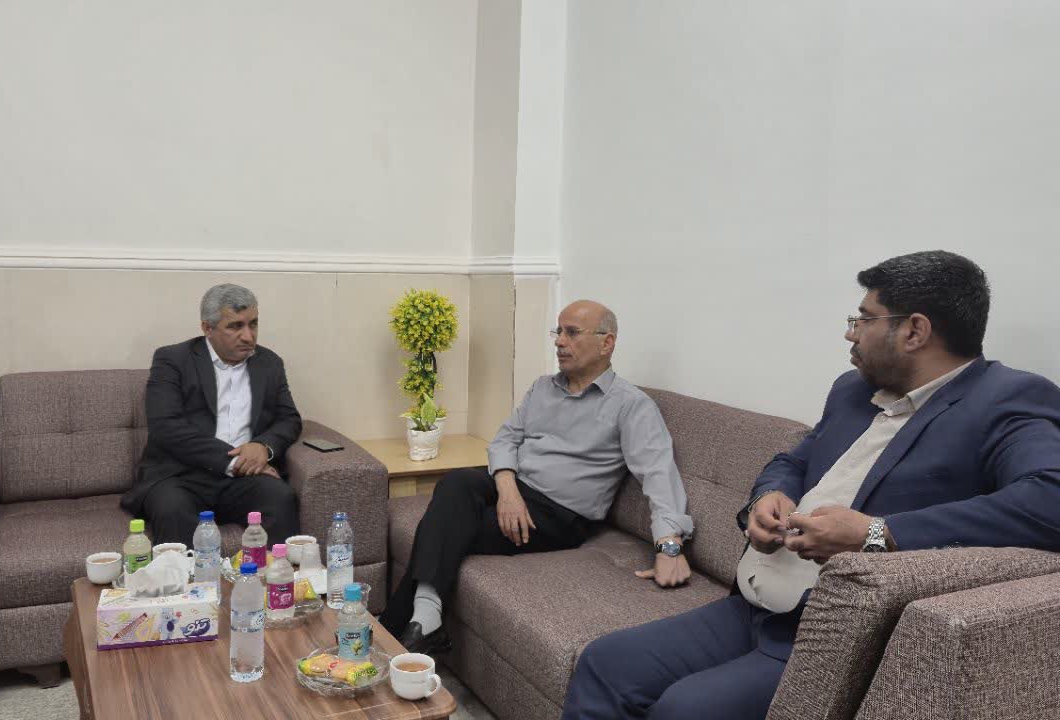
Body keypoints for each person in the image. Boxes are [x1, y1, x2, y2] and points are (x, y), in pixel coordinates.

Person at [562, 250, 1060, 720]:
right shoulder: (852, 391)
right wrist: (768, 496)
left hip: (823, 633)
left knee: (686, 708)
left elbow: (1049, 498)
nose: (850, 334)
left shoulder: (1005, 400)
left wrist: (876, 533)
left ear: (914, 331)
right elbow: (792, 460)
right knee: (605, 663)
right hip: (749, 606)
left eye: (863, 320)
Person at [381, 300, 695, 654]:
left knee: (444, 529)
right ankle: (422, 626)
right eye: (558, 332)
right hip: (516, 487)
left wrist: (669, 547)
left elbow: (658, 474)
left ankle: (395, 632)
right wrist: (507, 489)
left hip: (558, 515)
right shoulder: (543, 388)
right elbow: (505, 440)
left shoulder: (631, 405)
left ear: (606, 343)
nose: (559, 341)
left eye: (572, 333)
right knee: (456, 482)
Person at [122, 283, 303, 546]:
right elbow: (166, 427)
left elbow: (289, 419)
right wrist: (237, 460)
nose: (248, 336)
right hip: (181, 476)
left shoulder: (269, 363)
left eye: (253, 324)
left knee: (280, 498)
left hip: (245, 480)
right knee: (173, 508)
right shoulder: (172, 360)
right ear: (207, 328)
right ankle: (183, 575)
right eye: (235, 326)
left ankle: (275, 572)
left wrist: (263, 447)